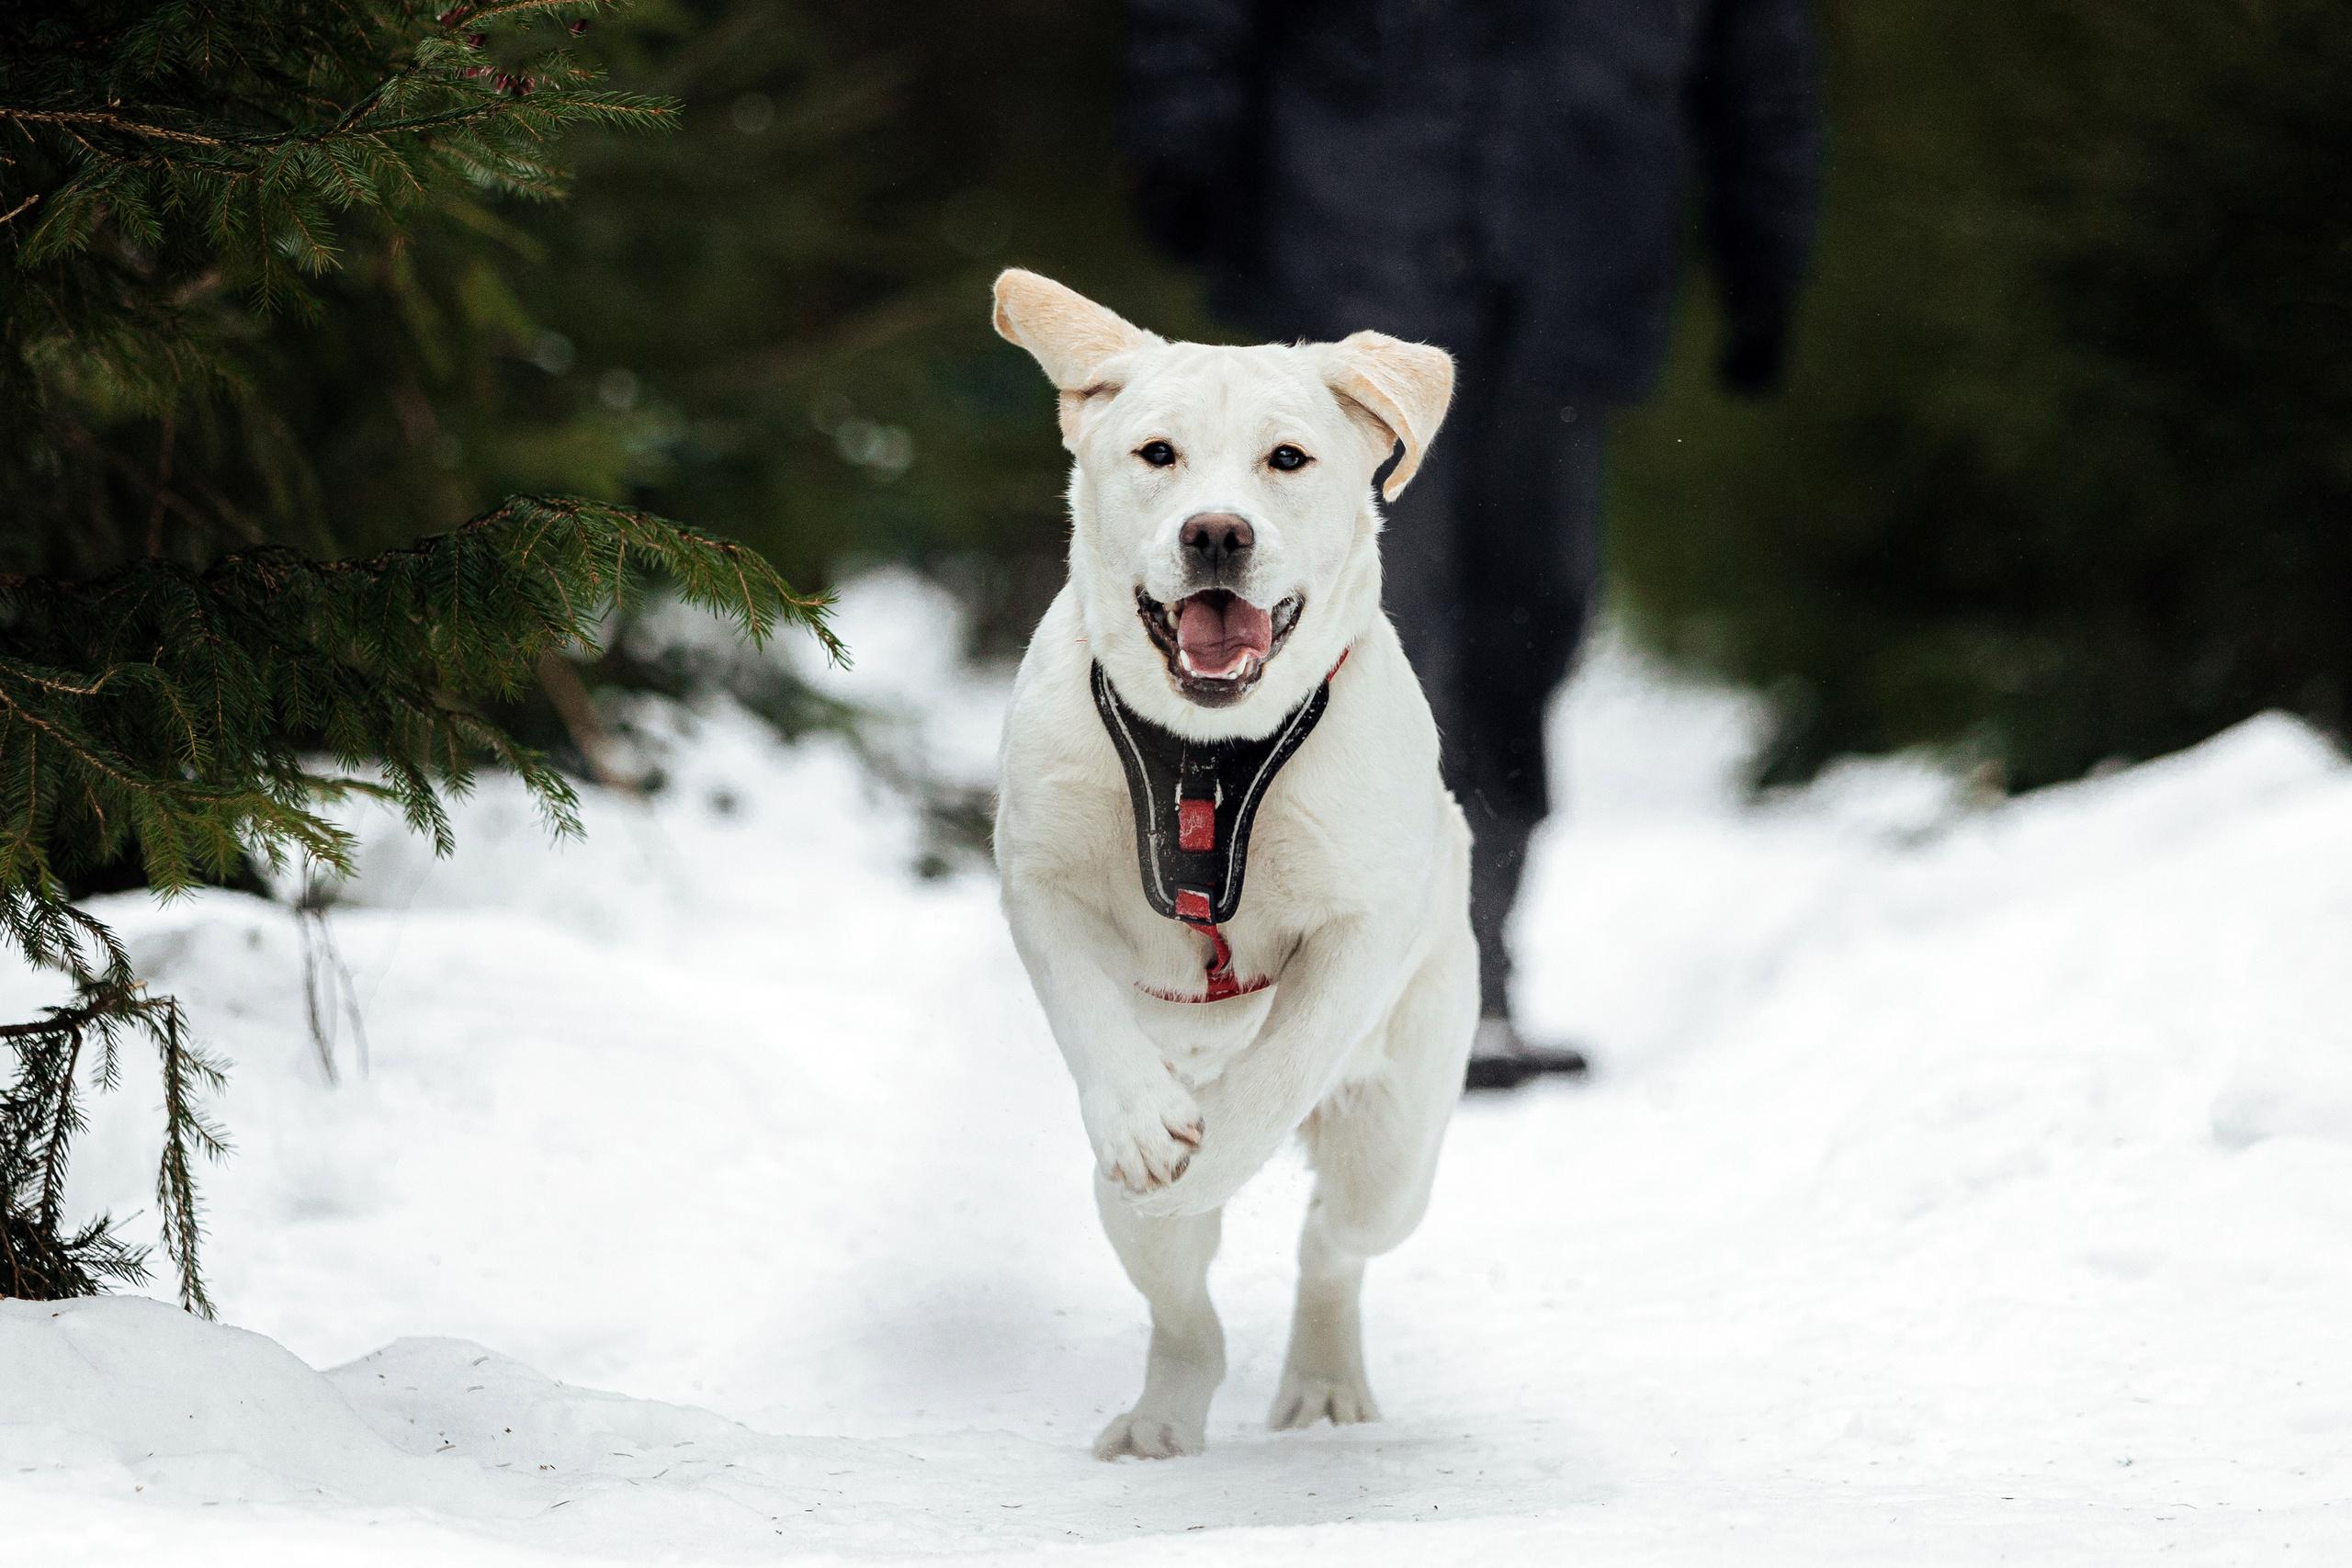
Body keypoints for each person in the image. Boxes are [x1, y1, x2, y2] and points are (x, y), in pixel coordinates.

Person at [1121, 0, 1821, 1089]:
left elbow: (1758, 48)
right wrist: (1183, 139)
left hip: (1573, 260)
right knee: (1373, 613)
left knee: (1531, 610)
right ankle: (1371, 976)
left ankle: (1465, 965)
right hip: (1348, 242)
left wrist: (1763, 238)